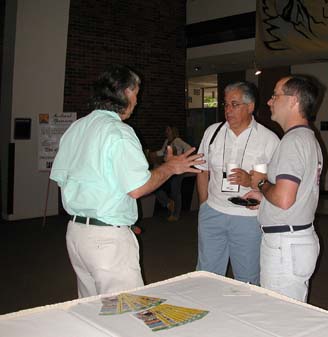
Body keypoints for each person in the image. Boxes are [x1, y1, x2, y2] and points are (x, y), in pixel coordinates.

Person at [50, 64, 204, 298]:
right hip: (107, 240)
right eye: (136, 93)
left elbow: (62, 179)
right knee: (126, 311)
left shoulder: (76, 127)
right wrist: (171, 167)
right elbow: (138, 188)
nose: (137, 101)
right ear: (124, 92)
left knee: (91, 306)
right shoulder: (119, 131)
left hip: (76, 234)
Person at [243, 75, 323, 302]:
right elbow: (294, 194)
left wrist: (259, 182)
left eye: (275, 95)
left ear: (293, 101)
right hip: (296, 239)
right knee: (291, 312)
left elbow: (284, 198)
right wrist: (264, 196)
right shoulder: (308, 138)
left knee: (281, 317)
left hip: (284, 246)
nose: (269, 102)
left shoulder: (293, 141)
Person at [195, 81, 279, 285]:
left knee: (247, 279)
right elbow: (202, 171)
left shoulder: (269, 139)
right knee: (206, 276)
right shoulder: (212, 132)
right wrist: (204, 205)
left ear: (250, 107)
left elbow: (277, 183)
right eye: (225, 105)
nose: (228, 110)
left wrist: (251, 181)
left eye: (235, 105)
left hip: (247, 218)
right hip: (212, 213)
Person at [151, 126, 192, 221]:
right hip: (168, 168)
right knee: (156, 187)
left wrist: (180, 157)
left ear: (173, 131)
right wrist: (154, 154)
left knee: (175, 191)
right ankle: (168, 203)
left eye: (168, 130)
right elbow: (162, 152)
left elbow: (188, 148)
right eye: (166, 130)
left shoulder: (177, 140)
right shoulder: (167, 141)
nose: (166, 131)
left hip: (177, 169)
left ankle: (175, 215)